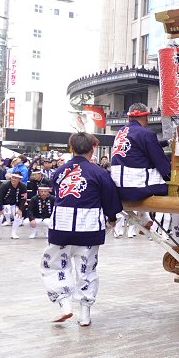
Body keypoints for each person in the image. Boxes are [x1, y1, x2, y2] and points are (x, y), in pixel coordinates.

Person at [41, 133, 123, 326]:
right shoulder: (100, 173)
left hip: (61, 227)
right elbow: (111, 202)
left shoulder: (60, 171)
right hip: (89, 228)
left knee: (54, 265)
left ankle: (64, 304)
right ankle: (85, 312)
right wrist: (112, 219)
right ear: (94, 148)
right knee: (87, 269)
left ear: (72, 148)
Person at [110, 103, 179, 246]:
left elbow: (142, 146)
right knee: (177, 189)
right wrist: (172, 178)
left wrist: (165, 142)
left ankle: (144, 217)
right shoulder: (147, 134)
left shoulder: (120, 132)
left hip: (118, 187)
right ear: (146, 118)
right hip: (135, 188)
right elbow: (160, 161)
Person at [0, 172, 26, 239]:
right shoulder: (4, 185)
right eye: (12, 177)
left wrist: (20, 209)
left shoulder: (23, 186)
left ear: (20, 179)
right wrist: (0, 209)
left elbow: (23, 199)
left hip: (14, 204)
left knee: (18, 216)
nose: (13, 179)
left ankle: (13, 233)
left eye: (15, 178)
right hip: (2, 204)